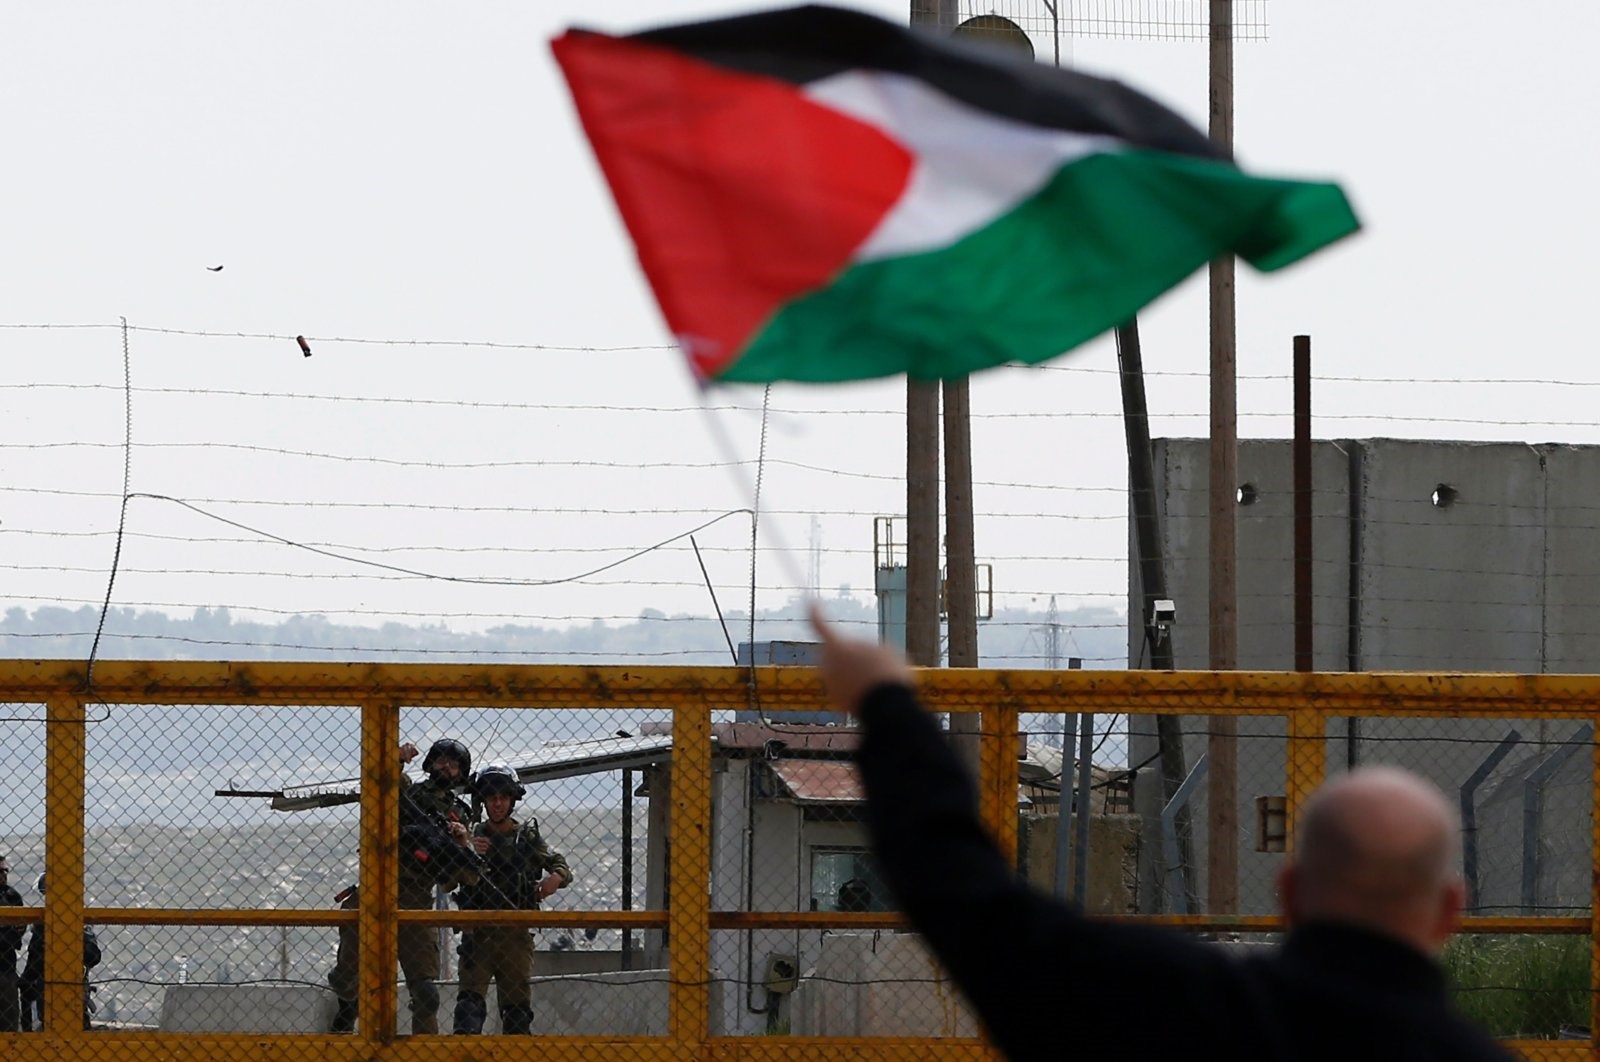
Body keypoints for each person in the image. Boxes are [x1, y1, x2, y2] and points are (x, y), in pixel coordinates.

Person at [808, 606, 1512, 1061]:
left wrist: (886, 703)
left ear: (1290, 890)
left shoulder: (1165, 1006)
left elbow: (967, 900)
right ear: (1451, 909)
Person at [328, 738, 480, 1035]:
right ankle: (346, 1016)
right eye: (441, 760)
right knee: (347, 978)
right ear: (430, 763)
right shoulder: (407, 792)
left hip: (416, 901)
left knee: (426, 995)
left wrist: (461, 843)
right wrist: (394, 759)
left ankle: (423, 1051)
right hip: (376, 888)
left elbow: (457, 878)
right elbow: (377, 782)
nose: (446, 767)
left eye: (454, 764)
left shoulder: (458, 816)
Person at [451, 763, 572, 1035]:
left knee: (517, 1012)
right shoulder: (471, 836)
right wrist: (466, 851)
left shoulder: (526, 838)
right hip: (477, 934)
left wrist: (555, 879)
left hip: (515, 935)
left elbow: (559, 864)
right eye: (491, 797)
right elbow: (449, 879)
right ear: (483, 800)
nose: (497, 804)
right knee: (468, 1010)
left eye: (503, 797)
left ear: (512, 799)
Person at [18, 873, 101, 1031]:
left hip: (63, 990)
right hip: (59, 990)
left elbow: (93, 956)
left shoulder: (69, 923)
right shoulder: (48, 924)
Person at [0, 854, 23, 1032]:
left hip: (5, 967)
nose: (3, 875)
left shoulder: (11, 896)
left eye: (5, 871)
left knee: (8, 1022)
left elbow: (19, 928)